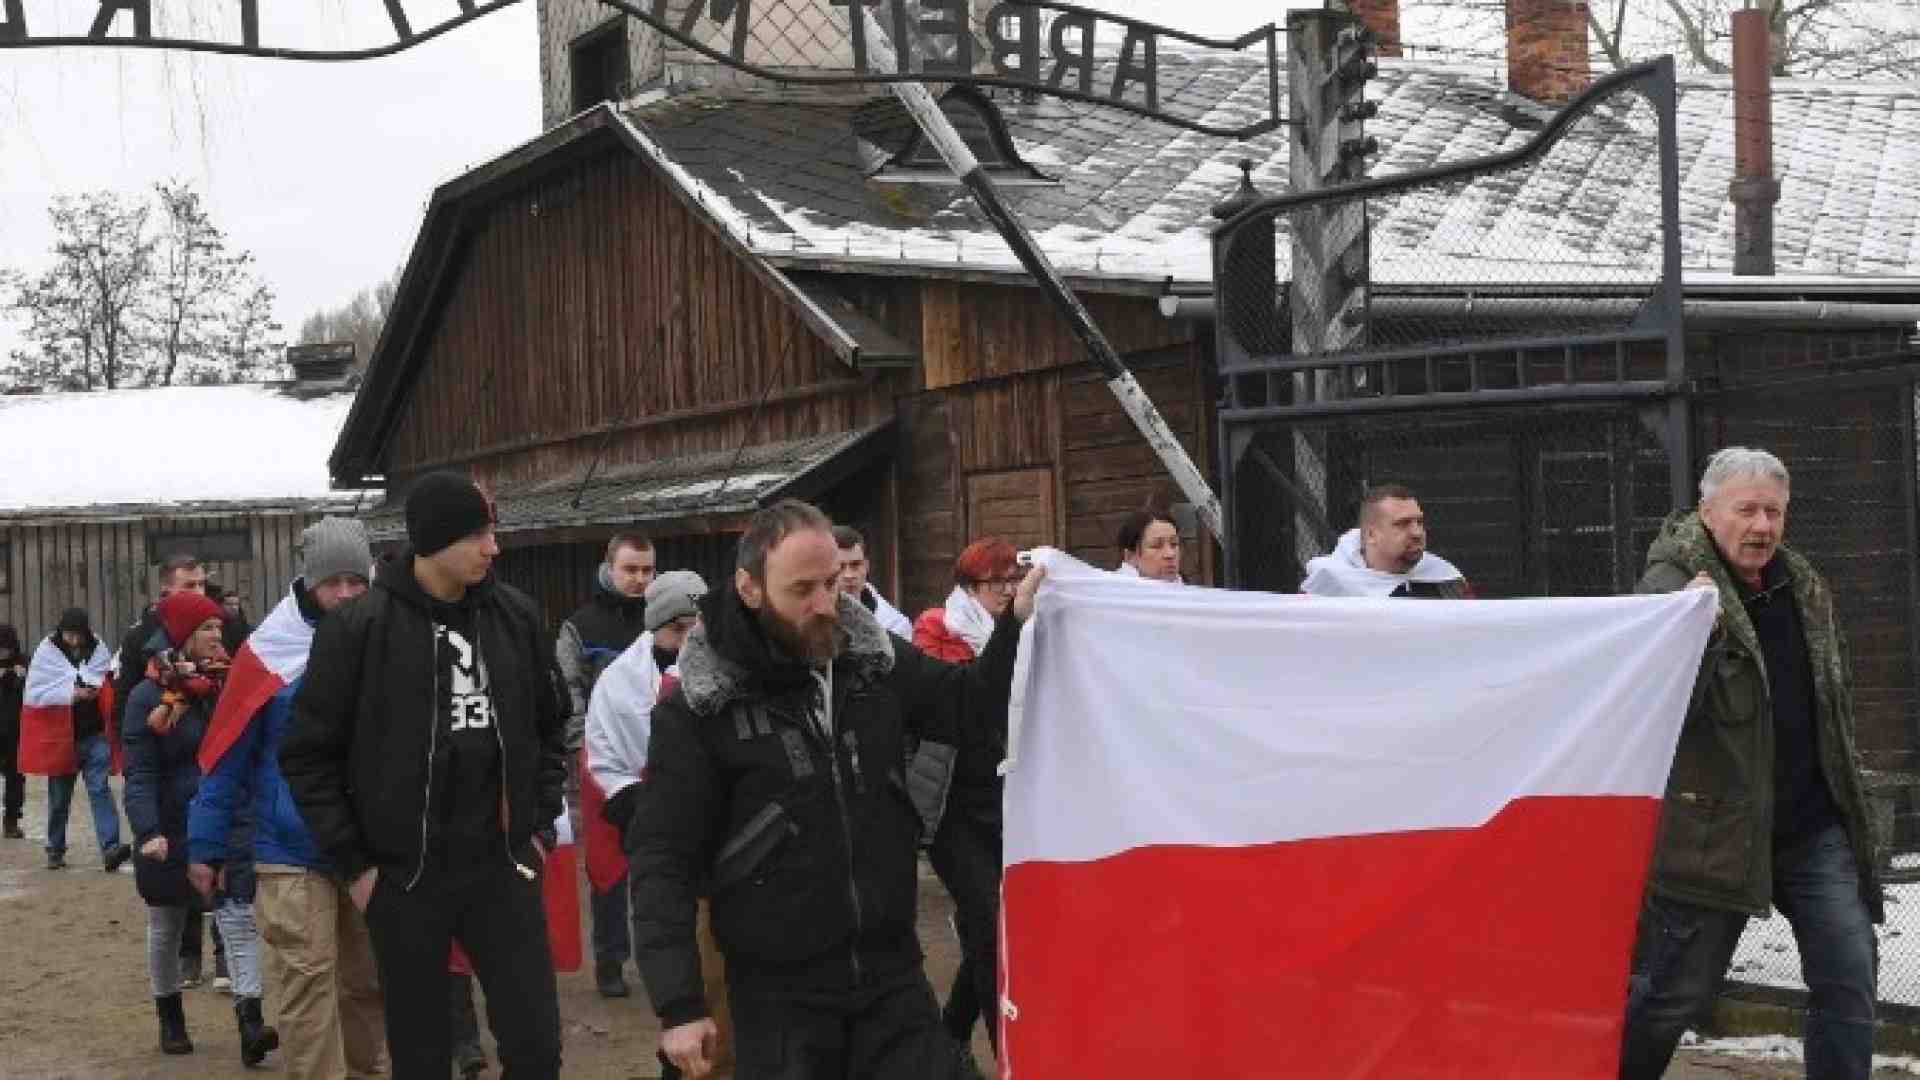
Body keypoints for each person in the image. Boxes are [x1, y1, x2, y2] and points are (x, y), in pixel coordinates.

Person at [630, 499, 1041, 1080]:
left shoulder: (870, 661)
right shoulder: (700, 707)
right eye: (802, 589)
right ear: (750, 588)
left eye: (831, 583)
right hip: (778, 999)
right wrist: (680, 1007)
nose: (826, 605)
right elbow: (662, 859)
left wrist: (1015, 625)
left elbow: (968, 707)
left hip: (891, 975)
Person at [281, 471, 568, 1080]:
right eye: (479, 535)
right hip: (404, 879)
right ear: (436, 541)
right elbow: (308, 756)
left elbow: (552, 729)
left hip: (503, 867)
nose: (494, 548)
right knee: (421, 1055)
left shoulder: (516, 618)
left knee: (537, 1046)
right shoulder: (358, 629)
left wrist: (538, 829)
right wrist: (357, 866)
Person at [1619, 448, 1882, 1080]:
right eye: (1747, 510)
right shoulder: (1670, 587)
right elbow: (1648, 700)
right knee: (1672, 997)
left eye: (1774, 512)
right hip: (1715, 834)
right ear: (1708, 512)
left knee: (1850, 979)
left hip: (1811, 825)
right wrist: (1689, 629)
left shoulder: (1804, 584)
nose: (1762, 526)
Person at [187, 517, 386, 1080]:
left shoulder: (386, 635)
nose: (346, 594)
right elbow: (228, 753)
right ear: (309, 581)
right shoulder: (269, 652)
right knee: (307, 982)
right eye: (334, 582)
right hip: (290, 849)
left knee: (367, 981)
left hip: (369, 846)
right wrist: (205, 843)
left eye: (357, 581)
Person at [584, 570, 730, 1079]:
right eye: (678, 629)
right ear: (656, 628)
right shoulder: (619, 682)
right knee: (681, 959)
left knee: (721, 978)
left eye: (698, 626)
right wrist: (642, 809)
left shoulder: (726, 669)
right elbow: (603, 757)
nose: (689, 640)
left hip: (723, 848)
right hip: (659, 838)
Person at [123, 589, 276, 1062]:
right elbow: (141, 771)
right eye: (207, 628)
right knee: (167, 923)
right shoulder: (149, 697)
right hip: (170, 825)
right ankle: (170, 1017)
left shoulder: (232, 686)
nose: (217, 635)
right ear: (182, 635)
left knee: (237, 916)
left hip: (226, 820)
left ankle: (251, 1023)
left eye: (219, 627)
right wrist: (149, 831)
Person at [911, 538, 1021, 1075]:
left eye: (1010, 579)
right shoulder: (937, 631)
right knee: (985, 922)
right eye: (993, 582)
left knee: (995, 930)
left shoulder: (1023, 631)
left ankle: (950, 1033)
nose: (1005, 590)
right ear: (969, 588)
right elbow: (965, 702)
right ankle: (1006, 1057)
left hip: (1005, 798)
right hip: (952, 806)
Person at [556, 533, 655, 998]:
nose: (638, 579)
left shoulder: (664, 621)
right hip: (601, 763)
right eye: (630, 569)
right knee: (606, 865)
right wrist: (584, 744)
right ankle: (611, 960)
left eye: (646, 570)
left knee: (658, 864)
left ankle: (658, 959)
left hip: (659, 761)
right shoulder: (582, 626)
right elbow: (568, 689)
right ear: (609, 568)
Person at [22, 608, 130, 872]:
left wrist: (91, 690)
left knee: (100, 791)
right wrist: (72, 693)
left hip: (94, 735)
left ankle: (110, 848)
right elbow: (36, 692)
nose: (74, 640)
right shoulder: (46, 652)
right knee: (59, 798)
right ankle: (55, 849)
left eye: (77, 635)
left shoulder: (98, 648)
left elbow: (104, 675)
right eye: (69, 635)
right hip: (61, 737)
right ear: (62, 632)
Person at [1299, 484, 1471, 598]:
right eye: (1402, 524)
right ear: (1371, 535)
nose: (1417, 533)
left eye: (1419, 522)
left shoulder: (1446, 581)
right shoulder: (1327, 586)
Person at [833, 525, 911, 637]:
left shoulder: (895, 625)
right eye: (840, 567)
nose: (849, 575)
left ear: (866, 566)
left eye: (855, 565)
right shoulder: (806, 619)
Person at [0, 624, 26, 839]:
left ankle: (11, 821)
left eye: (6, 648)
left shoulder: (22, 663)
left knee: (15, 778)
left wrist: (18, 675)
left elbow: (28, 688)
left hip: (16, 732)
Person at [1114, 509, 1183, 583]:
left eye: (1174, 544)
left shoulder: (1187, 591)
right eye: (1156, 546)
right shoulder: (1114, 591)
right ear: (1130, 556)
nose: (1170, 554)